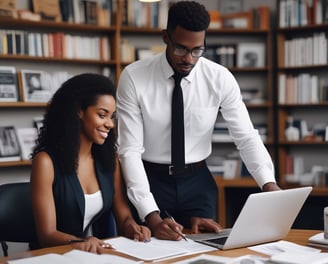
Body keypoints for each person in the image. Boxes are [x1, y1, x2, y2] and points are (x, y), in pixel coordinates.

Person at [116, 1, 280, 241]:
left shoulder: (219, 78)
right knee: (150, 252)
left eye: (197, 50)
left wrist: (269, 186)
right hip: (150, 180)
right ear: (166, 38)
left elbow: (246, 137)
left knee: (204, 251)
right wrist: (152, 216)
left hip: (198, 182)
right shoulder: (133, 77)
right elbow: (129, 151)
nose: (189, 59)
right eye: (181, 49)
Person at [30, 73, 151, 254]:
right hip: (54, 256)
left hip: (92, 254)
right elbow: (46, 235)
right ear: (79, 111)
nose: (110, 124)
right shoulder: (45, 162)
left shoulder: (110, 160)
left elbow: (123, 216)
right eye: (102, 115)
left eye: (112, 116)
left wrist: (132, 226)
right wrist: (82, 242)